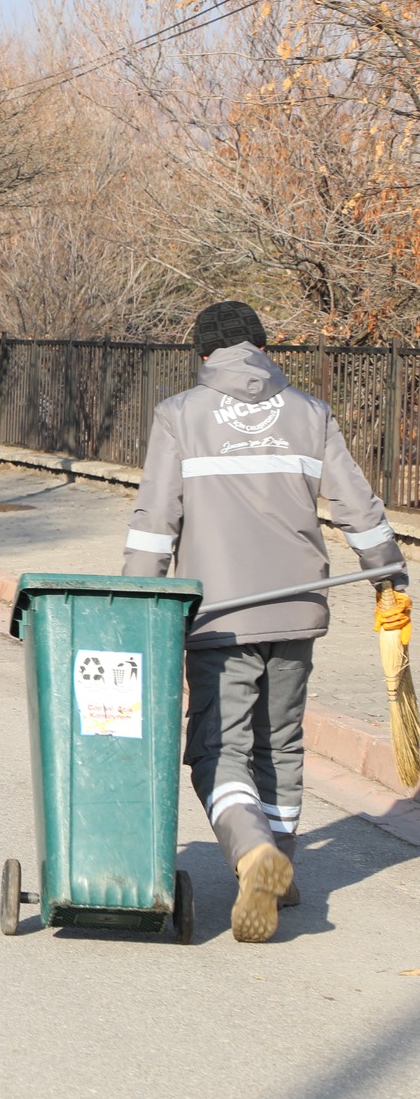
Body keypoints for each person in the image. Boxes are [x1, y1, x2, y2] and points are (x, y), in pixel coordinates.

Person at [123, 300, 405, 943]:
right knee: (280, 743)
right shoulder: (311, 413)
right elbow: (358, 505)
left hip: (221, 614)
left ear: (202, 356)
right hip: (301, 606)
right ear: (263, 348)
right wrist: (389, 571)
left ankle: (254, 856)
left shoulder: (179, 416)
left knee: (217, 749)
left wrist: (139, 601)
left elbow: (155, 521)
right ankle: (285, 870)